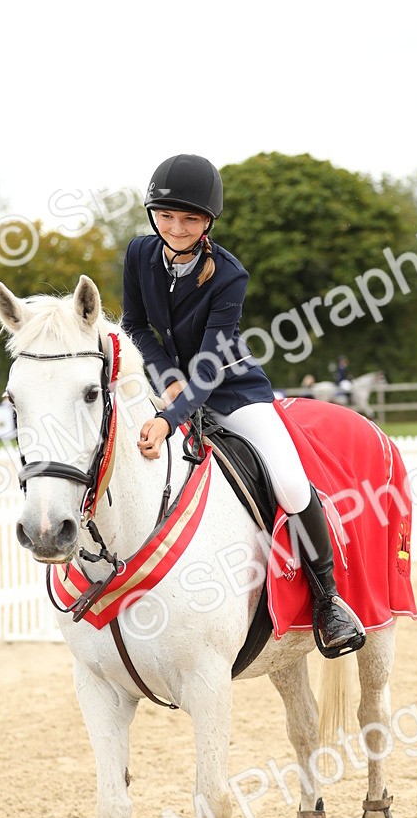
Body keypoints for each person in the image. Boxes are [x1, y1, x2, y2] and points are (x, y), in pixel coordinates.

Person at [120, 153, 365, 657]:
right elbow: (136, 325)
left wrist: (171, 418)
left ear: (208, 221)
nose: (176, 227)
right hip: (168, 387)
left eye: (189, 218)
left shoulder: (229, 274)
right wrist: (167, 383)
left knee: (292, 483)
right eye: (166, 216)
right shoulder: (138, 254)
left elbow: (210, 363)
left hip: (232, 390)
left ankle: (328, 601)